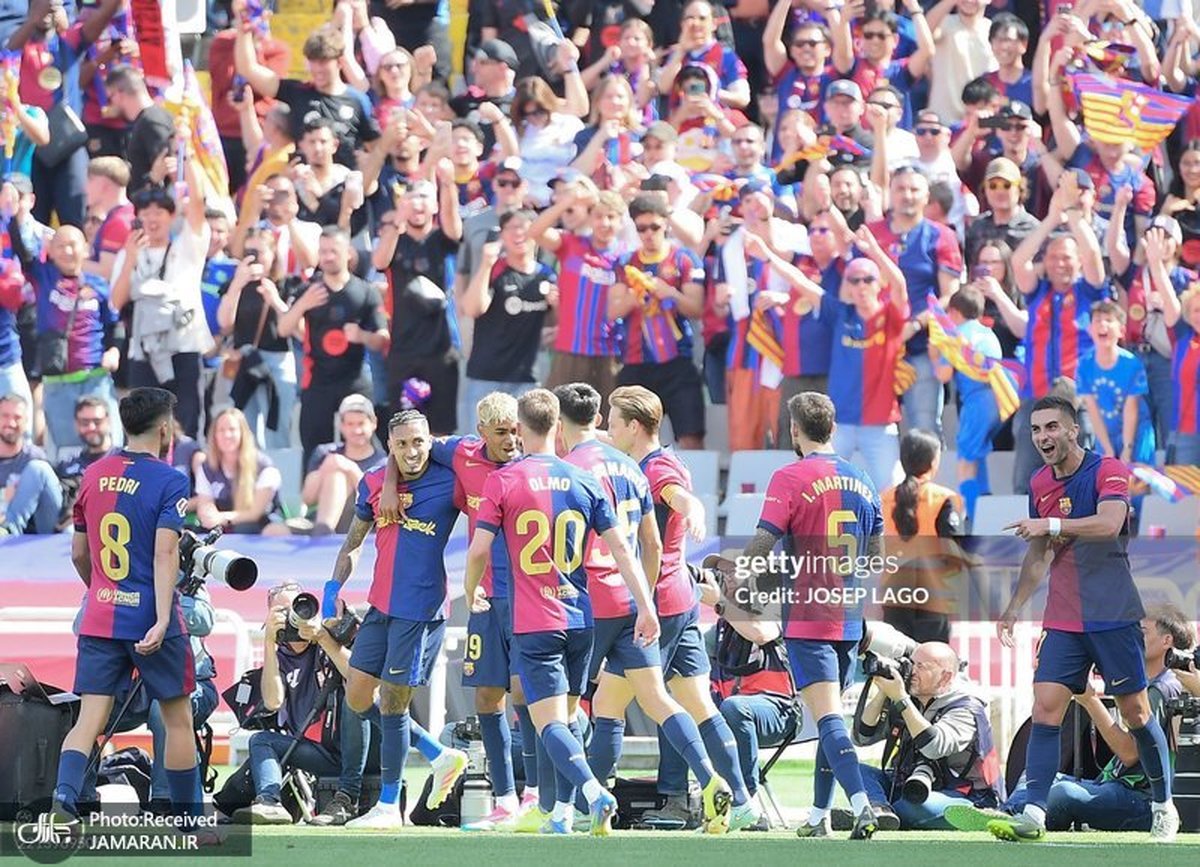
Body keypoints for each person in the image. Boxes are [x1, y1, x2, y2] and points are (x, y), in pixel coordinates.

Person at [463, 389, 658, 835]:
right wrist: (646, 606)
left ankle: (593, 792)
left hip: (535, 622)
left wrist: (471, 590)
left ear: (519, 429)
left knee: (546, 722)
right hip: (581, 620)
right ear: (557, 427)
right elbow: (623, 550)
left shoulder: (504, 480)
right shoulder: (584, 480)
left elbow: (477, 551)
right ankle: (561, 815)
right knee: (567, 720)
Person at [557, 383, 748, 833]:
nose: (607, 429)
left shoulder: (657, 468)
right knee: (697, 704)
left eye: (614, 422)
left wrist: (694, 510)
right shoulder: (646, 456)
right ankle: (741, 799)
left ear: (635, 427)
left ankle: (589, 805)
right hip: (681, 598)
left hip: (655, 602)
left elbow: (678, 497)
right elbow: (594, 436)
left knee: (611, 704)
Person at [992, 394, 1178, 842]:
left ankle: (1162, 804)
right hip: (1064, 616)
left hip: (1113, 612)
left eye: (1052, 427)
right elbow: (1039, 553)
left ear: (1073, 430)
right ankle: (1034, 811)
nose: (1043, 437)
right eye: (1036, 430)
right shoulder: (1039, 482)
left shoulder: (1107, 470)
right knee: (1045, 707)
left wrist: (1052, 525)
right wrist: (1015, 607)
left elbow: (1109, 524)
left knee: (1136, 712)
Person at [49, 387, 202, 827]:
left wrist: (100, 591)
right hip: (150, 619)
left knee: (89, 718)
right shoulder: (170, 480)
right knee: (177, 719)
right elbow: (165, 553)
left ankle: (64, 799)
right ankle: (190, 821)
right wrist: (161, 618)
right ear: (165, 429)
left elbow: (79, 553)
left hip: (100, 615)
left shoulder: (93, 474)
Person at [737, 391, 883, 839]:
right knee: (828, 716)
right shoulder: (863, 479)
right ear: (833, 428)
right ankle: (819, 816)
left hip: (809, 616)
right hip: (849, 617)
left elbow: (763, 543)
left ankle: (862, 805)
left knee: (828, 718)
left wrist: (739, 580)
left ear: (795, 430)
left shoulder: (789, 476)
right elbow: (876, 557)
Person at [323, 410, 468, 829]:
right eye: (401, 444)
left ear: (430, 440)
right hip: (380, 606)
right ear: (389, 446)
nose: (411, 451)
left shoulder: (451, 480)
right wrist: (332, 591)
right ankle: (439, 754)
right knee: (356, 695)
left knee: (392, 703)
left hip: (420, 611)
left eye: (418, 441)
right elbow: (353, 544)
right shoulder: (372, 482)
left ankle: (388, 806)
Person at [952, 605, 1193, 834]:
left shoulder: (1164, 687)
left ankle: (1024, 818)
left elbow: (1129, 753)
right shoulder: (1148, 684)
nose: (1132, 636)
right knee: (1037, 777)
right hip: (1115, 786)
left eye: (1142, 631)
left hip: (1141, 799)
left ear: (1167, 641)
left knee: (1064, 793)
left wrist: (1089, 700)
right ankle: (1007, 814)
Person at [219, 582, 368, 824]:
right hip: (319, 755)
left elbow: (359, 679)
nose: (293, 617)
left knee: (355, 697)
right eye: (282, 612)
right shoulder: (279, 658)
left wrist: (322, 636)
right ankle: (269, 802)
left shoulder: (329, 638)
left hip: (355, 750)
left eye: (298, 607)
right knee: (261, 740)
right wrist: (269, 642)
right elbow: (273, 701)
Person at [110, 158, 215, 441]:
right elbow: (116, 302)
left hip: (184, 347)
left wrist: (187, 161)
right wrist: (130, 258)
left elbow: (197, 204)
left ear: (172, 216)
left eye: (159, 212)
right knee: (143, 428)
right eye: (145, 213)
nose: (152, 219)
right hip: (144, 351)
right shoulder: (127, 254)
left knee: (187, 425)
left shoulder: (187, 247)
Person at [852, 641, 1005, 829]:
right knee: (852, 769)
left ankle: (981, 816)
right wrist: (883, 693)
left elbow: (934, 747)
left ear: (945, 677)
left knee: (912, 807)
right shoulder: (912, 699)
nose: (911, 671)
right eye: (910, 663)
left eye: (921, 666)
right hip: (912, 785)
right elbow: (862, 737)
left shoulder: (966, 708)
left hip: (965, 793)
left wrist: (901, 699)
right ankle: (879, 809)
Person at [277, 226, 387, 466]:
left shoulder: (365, 291)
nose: (327, 257)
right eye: (323, 251)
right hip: (317, 382)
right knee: (314, 452)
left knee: (365, 443)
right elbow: (283, 329)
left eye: (333, 251)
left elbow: (382, 338)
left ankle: (371, 487)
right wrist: (303, 305)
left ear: (348, 253)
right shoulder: (309, 290)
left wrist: (362, 336)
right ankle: (315, 490)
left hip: (355, 380)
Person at [607, 195, 706, 449]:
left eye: (655, 227)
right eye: (642, 228)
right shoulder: (625, 262)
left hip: (677, 361)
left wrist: (669, 293)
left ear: (666, 225)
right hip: (636, 362)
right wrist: (634, 296)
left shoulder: (684, 259)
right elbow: (612, 312)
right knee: (627, 440)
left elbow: (697, 309)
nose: (649, 234)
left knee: (690, 436)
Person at [31, 224, 122, 450]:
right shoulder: (44, 277)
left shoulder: (99, 285)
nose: (67, 251)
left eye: (72, 245)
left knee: (109, 448)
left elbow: (115, 325)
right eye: (60, 246)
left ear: (86, 249)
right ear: (50, 251)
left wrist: (114, 351)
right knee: (67, 454)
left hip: (96, 378)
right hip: (58, 383)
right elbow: (23, 251)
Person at [215, 227, 298, 450]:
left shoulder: (286, 284)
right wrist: (237, 284)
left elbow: (294, 329)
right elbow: (225, 322)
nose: (254, 258)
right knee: (245, 428)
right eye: (249, 252)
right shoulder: (235, 285)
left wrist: (275, 300)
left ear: (273, 253)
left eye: (259, 252)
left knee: (277, 427)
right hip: (244, 360)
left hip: (276, 360)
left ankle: (279, 468)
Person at [880, 430, 965, 644]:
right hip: (932, 592)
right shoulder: (943, 498)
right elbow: (953, 550)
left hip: (894, 592)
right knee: (933, 657)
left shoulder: (884, 498)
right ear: (933, 461)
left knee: (898, 657)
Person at [928, 286, 1003, 520]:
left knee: (966, 459)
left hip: (976, 400)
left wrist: (934, 354)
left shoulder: (956, 337)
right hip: (999, 399)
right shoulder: (988, 333)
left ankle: (968, 515)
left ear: (954, 312)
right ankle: (984, 501)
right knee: (978, 453)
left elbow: (943, 375)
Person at [301, 394, 386, 536]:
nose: (356, 430)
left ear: (373, 424)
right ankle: (322, 531)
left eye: (361, 423)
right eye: (350, 424)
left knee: (337, 477)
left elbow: (377, 506)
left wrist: (350, 469)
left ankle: (323, 534)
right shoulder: (324, 452)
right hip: (316, 519)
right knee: (274, 530)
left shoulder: (383, 462)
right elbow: (307, 498)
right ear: (341, 426)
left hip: (361, 526)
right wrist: (325, 468)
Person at [193, 408, 282, 535]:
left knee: (244, 528)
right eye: (221, 430)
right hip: (221, 526)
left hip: (258, 528)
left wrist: (223, 518)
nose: (227, 435)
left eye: (232, 429)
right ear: (214, 436)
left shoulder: (265, 468)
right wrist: (209, 515)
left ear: (242, 433)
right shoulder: (207, 467)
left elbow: (255, 513)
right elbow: (205, 503)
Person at [0, 392, 61, 535]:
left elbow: (51, 500)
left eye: (17, 417)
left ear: (26, 421)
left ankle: (10, 529)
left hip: (40, 529)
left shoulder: (35, 456)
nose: (11, 423)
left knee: (38, 468)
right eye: (5, 416)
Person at [54, 395, 114, 530]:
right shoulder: (66, 465)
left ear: (108, 421)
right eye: (85, 423)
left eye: (97, 422)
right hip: (67, 530)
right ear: (76, 424)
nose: (91, 427)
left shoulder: (123, 461)